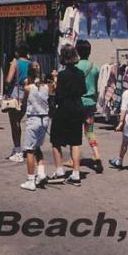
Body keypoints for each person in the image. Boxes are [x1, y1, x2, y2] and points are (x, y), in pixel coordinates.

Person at [49, 45, 85, 187]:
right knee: (75, 141)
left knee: (56, 140)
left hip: (64, 109)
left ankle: (59, 171)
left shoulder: (62, 75)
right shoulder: (80, 73)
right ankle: (76, 173)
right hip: (77, 108)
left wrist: (56, 82)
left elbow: (58, 95)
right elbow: (83, 90)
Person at [19, 62, 52, 191]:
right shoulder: (47, 87)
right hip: (45, 119)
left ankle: (30, 180)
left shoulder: (28, 87)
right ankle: (42, 172)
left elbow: (24, 102)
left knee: (30, 151)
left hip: (33, 119)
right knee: (37, 147)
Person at [75, 40, 104, 173]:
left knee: (75, 133)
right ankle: (97, 156)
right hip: (91, 103)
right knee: (89, 131)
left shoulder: (76, 67)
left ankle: (74, 160)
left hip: (78, 103)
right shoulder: (95, 67)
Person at [4, 44, 31, 162]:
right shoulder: (32, 64)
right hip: (28, 93)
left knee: (14, 122)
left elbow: (9, 80)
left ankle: (18, 149)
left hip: (16, 92)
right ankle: (19, 148)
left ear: (17, 52)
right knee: (19, 121)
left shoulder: (15, 63)